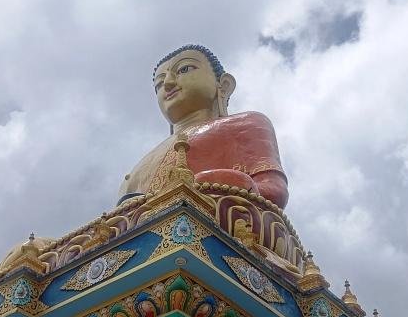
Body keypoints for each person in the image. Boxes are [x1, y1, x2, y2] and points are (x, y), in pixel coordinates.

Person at [119, 44, 289, 209]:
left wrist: (230, 185)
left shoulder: (247, 123)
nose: (168, 84)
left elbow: (274, 191)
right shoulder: (139, 167)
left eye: (184, 69)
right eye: (159, 84)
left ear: (224, 84)